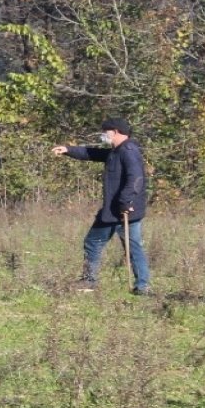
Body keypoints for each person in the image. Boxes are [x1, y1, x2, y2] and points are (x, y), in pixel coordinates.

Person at [51, 117, 151, 295]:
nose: (104, 134)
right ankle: (142, 286)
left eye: (106, 131)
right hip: (119, 210)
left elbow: (136, 178)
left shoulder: (128, 151)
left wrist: (126, 201)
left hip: (121, 210)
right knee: (132, 247)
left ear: (116, 131)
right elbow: (93, 154)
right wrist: (68, 150)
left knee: (94, 242)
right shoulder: (117, 151)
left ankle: (90, 281)